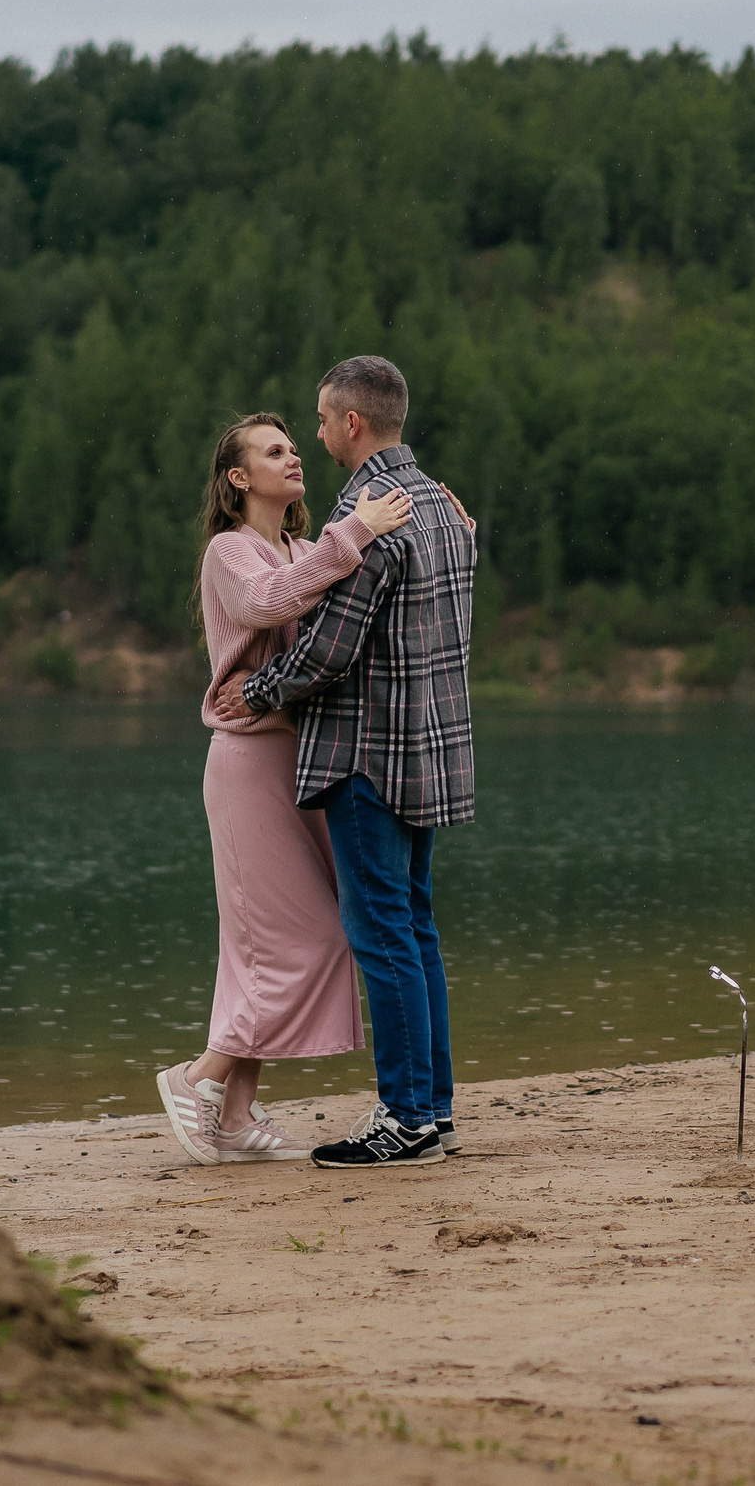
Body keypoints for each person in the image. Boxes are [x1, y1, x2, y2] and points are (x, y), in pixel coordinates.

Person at [214, 355, 478, 1171]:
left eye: (321, 422)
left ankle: (404, 1117)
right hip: (430, 749)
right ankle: (431, 1109)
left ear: (352, 424)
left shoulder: (366, 513)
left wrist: (258, 692)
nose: (314, 436)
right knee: (416, 926)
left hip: (365, 754)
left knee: (382, 932)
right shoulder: (440, 506)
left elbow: (329, 647)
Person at [155, 413, 417, 1164]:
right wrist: (354, 534)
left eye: (295, 447)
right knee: (289, 939)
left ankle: (234, 1113)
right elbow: (272, 602)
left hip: (303, 761)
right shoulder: (229, 552)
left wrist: (439, 512)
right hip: (247, 766)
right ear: (239, 478)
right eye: (275, 451)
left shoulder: (303, 548)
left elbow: (328, 608)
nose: (293, 455)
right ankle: (198, 1076)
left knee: (267, 946)